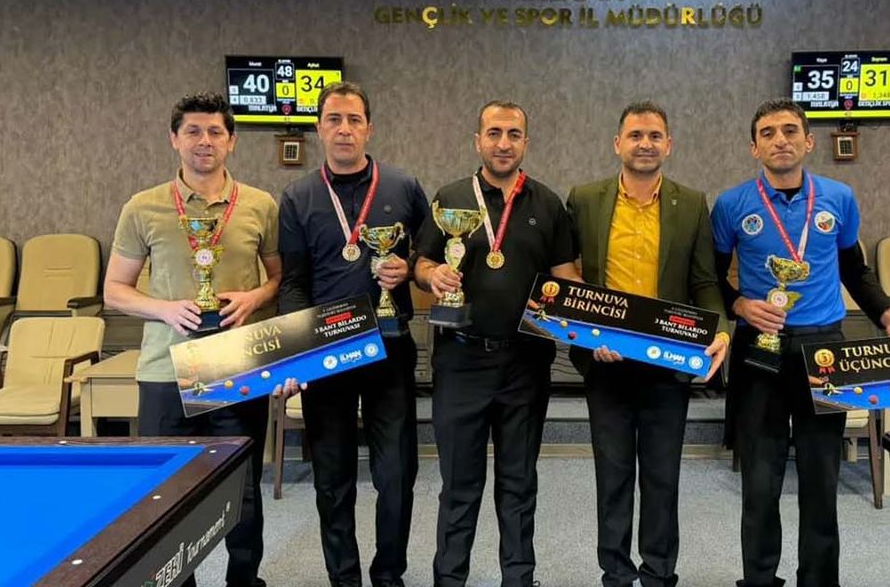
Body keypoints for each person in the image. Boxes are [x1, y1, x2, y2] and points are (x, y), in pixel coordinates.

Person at [710, 99, 890, 587]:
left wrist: (887, 313)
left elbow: (854, 269)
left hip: (824, 350)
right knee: (760, 481)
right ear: (753, 147)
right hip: (759, 348)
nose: (779, 140)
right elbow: (711, 278)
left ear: (807, 141)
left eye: (789, 130)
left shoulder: (838, 198)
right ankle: (759, 580)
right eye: (767, 133)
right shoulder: (732, 204)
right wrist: (740, 306)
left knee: (821, 477)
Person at [104, 92, 286, 587]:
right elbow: (114, 290)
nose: (204, 141)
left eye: (215, 132)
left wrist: (254, 297)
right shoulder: (143, 207)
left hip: (235, 366)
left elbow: (278, 279)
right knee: (165, 492)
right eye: (193, 132)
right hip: (165, 370)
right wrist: (164, 308)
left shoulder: (260, 205)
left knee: (242, 490)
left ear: (231, 141)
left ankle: (244, 581)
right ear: (174, 139)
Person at [413, 100, 580, 587]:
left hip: (525, 364)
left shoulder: (548, 204)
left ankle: (519, 579)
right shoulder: (449, 197)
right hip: (460, 360)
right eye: (493, 133)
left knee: (519, 484)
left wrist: (595, 321)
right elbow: (421, 264)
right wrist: (433, 275)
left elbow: (567, 277)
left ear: (526, 142)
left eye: (513, 134)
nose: (503, 143)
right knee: (458, 487)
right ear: (478, 140)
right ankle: (449, 579)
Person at [565, 101, 732, 587]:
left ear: (669, 145)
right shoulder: (585, 199)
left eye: (655, 136)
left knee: (662, 478)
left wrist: (721, 329)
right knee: (612, 477)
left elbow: (704, 282)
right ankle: (615, 575)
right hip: (606, 362)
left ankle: (659, 574)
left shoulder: (692, 203)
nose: (645, 143)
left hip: (667, 363)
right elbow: (567, 275)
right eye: (636, 135)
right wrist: (587, 334)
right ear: (617, 143)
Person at [278, 81, 429, 587]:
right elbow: (293, 283)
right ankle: (343, 578)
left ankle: (389, 576)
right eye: (334, 119)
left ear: (369, 128)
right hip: (327, 353)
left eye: (354, 120)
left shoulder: (403, 187)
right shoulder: (297, 196)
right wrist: (297, 356)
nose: (344, 129)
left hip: (390, 346)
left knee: (396, 475)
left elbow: (427, 257)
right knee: (333, 476)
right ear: (319, 128)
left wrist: (409, 269)